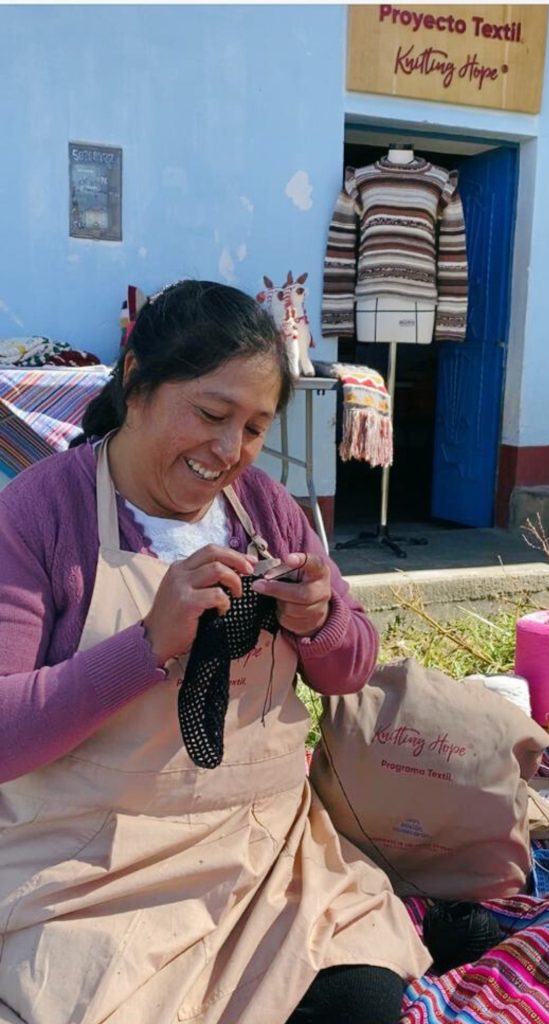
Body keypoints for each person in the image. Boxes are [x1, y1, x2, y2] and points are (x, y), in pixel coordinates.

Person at [0, 280, 431, 1024]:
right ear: (136, 379)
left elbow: (351, 667)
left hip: (268, 856)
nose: (230, 452)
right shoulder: (40, 514)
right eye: (211, 414)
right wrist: (144, 647)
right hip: (92, 871)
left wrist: (322, 618)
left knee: (359, 1003)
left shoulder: (265, 509)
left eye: (257, 427)